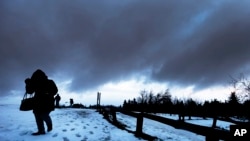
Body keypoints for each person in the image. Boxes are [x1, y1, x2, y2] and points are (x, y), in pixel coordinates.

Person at [25, 69, 58, 136]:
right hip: (37, 102)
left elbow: (55, 90)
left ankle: (49, 125)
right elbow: (29, 91)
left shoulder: (50, 82)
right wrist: (28, 84)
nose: (36, 78)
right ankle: (41, 131)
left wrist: (47, 93)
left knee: (44, 115)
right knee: (37, 116)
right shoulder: (34, 83)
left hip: (48, 102)